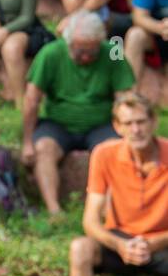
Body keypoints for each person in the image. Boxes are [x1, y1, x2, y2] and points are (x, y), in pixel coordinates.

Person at [68, 94, 168, 276]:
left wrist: (155, 242)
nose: (136, 130)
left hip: (162, 240)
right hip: (121, 239)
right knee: (80, 248)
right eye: (128, 123)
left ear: (154, 122)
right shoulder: (104, 153)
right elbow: (90, 220)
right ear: (117, 126)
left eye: (141, 122)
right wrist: (121, 245)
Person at [21, 12, 132, 217]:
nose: (87, 57)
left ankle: (110, 211)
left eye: (92, 51)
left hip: (101, 124)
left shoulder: (113, 52)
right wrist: (27, 141)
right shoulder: (51, 53)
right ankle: (54, 210)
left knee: (114, 150)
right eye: (80, 51)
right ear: (68, 42)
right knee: (43, 148)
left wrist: (127, 131)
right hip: (58, 123)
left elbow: (125, 98)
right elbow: (31, 100)